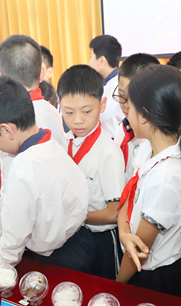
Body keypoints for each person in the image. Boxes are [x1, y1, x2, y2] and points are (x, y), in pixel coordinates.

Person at [0, 76, 92, 272]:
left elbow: (17, 224)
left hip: (52, 259)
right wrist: (6, 241)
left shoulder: (22, 168)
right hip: (77, 244)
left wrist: (4, 260)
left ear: (6, 130)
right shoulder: (49, 142)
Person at [115, 65, 181, 298]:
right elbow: (129, 199)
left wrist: (115, 286)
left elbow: (138, 251)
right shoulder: (145, 147)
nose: (126, 112)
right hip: (135, 257)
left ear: (145, 115)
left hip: (155, 276)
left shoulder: (166, 178)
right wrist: (123, 233)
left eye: (129, 105)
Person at [58, 65, 125, 279]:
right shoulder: (65, 142)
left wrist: (74, 217)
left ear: (102, 104)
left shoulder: (108, 152)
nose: (77, 120)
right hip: (75, 235)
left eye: (87, 111)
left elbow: (114, 213)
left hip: (102, 239)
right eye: (69, 112)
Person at [0, 35, 66, 204]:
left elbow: (13, 181)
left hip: (26, 206)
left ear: (0, 77)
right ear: (41, 72)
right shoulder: (52, 109)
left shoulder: (15, 119)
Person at [112, 53, 160, 182]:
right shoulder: (121, 130)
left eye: (134, 99)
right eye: (122, 96)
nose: (126, 105)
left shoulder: (156, 138)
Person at [88, 34, 124, 137]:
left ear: (102, 61)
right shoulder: (110, 82)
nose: (89, 62)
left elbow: (97, 117)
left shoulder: (115, 87)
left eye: (91, 57)